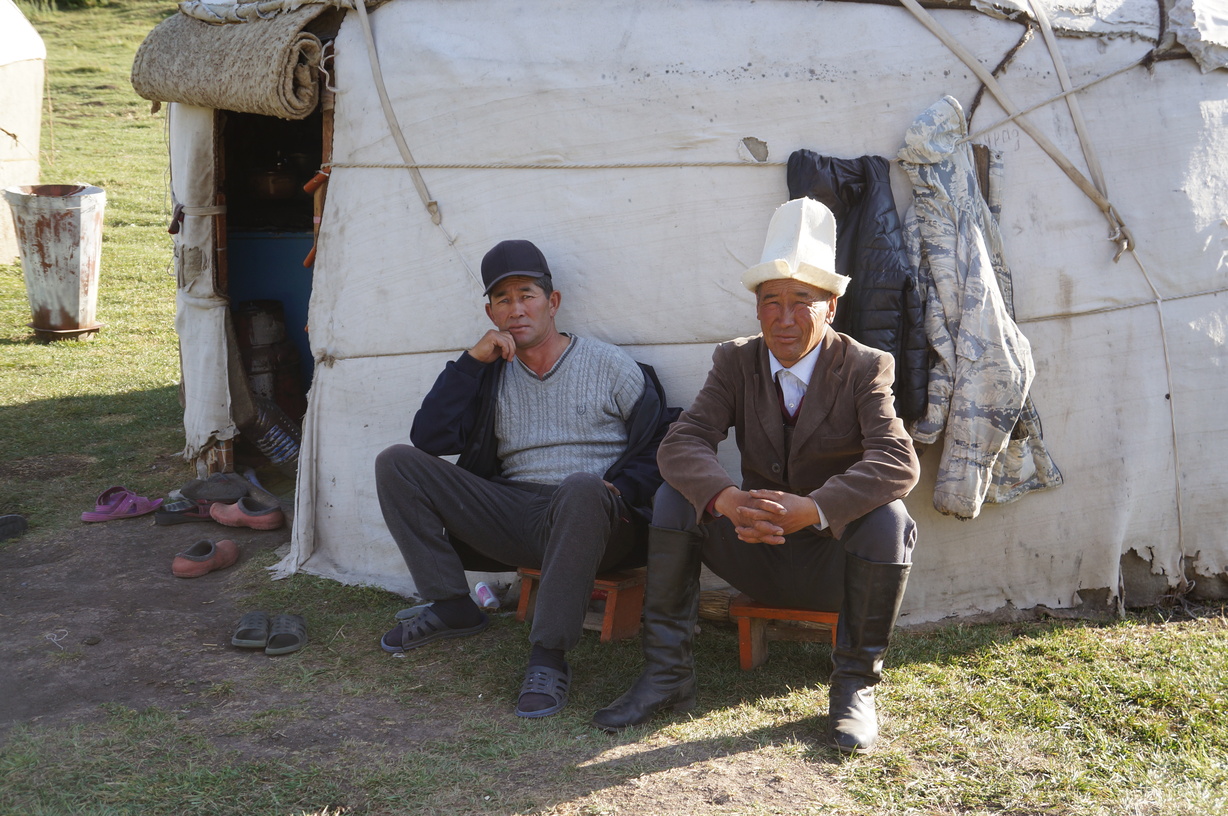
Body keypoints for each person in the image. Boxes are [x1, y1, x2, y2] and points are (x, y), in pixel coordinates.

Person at [592, 198, 920, 753]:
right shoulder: (736, 361)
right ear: (756, 307)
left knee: (888, 517)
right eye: (771, 302)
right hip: (753, 549)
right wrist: (727, 500)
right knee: (677, 496)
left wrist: (812, 510)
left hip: (828, 561)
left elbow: (896, 459)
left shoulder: (865, 366)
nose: (784, 319)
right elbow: (682, 442)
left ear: (832, 307)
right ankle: (667, 674)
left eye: (803, 302)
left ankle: (855, 686)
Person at [375, 239, 674, 719]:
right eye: (503, 300)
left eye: (527, 295)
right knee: (396, 462)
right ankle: (453, 605)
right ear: (490, 311)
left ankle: (548, 657)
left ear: (552, 302)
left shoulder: (608, 364)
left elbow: (663, 441)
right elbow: (428, 437)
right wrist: (472, 362)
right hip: (513, 511)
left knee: (579, 486)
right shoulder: (488, 374)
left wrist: (621, 490)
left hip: (595, 516)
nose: (517, 310)